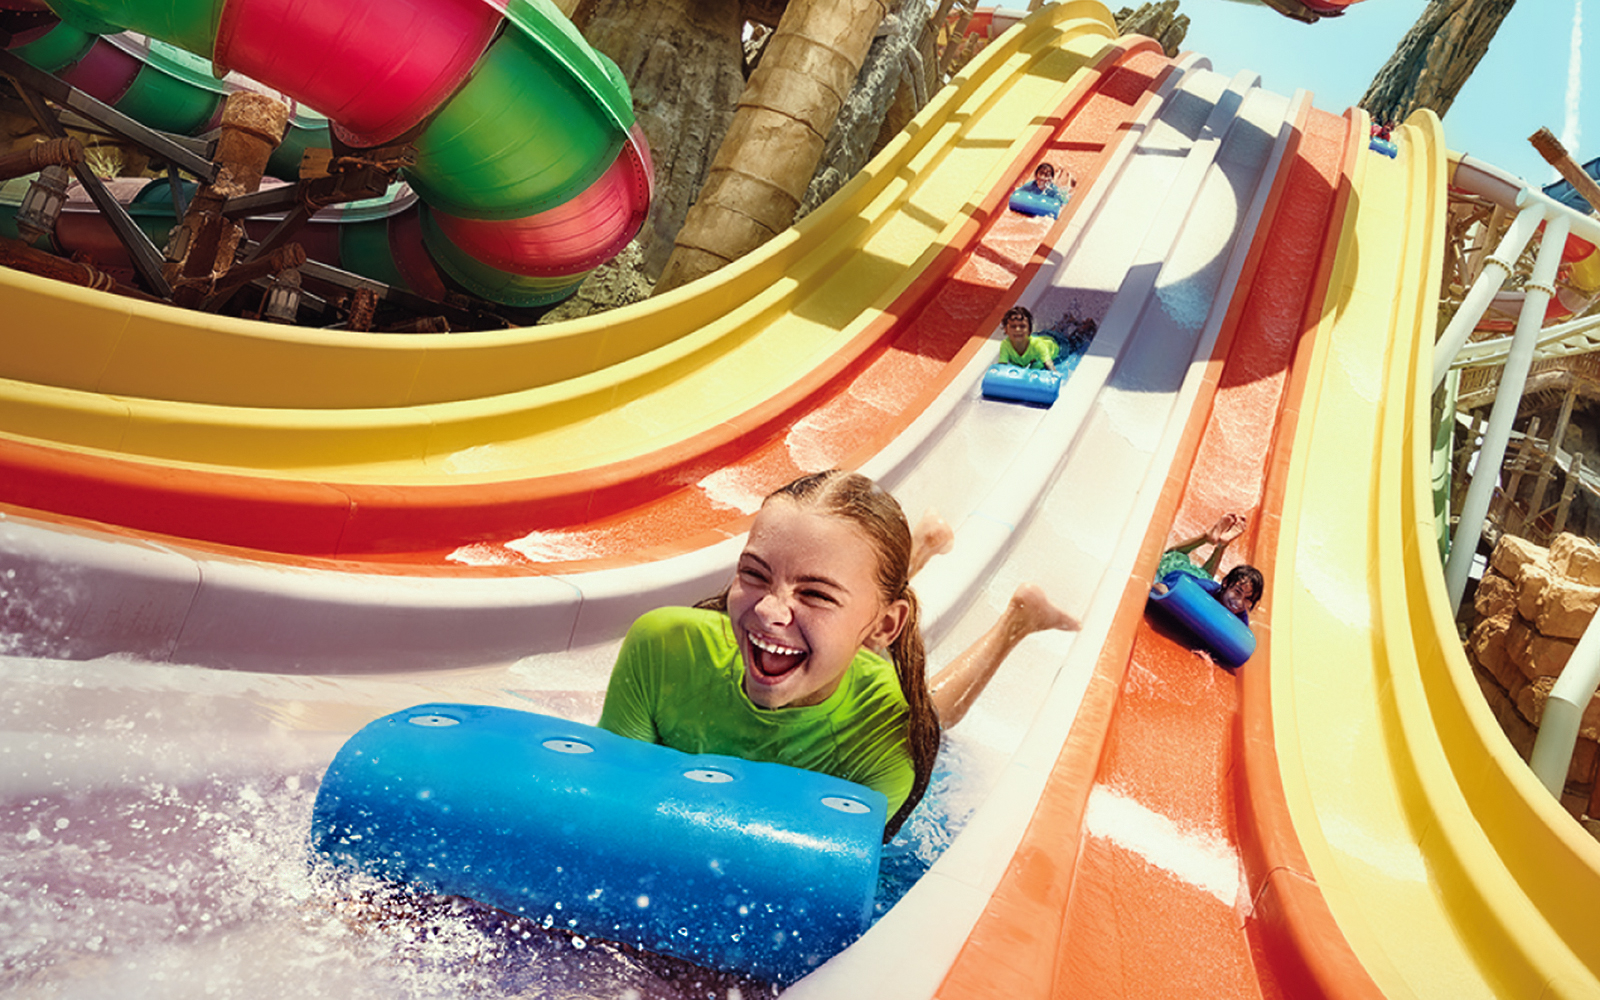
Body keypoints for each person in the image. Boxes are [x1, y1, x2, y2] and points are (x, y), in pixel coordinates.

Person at [597, 470, 1077, 839]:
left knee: (930, 715)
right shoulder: (664, 646)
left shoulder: (887, 732)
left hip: (864, 660)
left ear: (887, 626)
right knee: (832, 623)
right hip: (842, 632)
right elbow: (607, 801)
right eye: (754, 573)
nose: (767, 610)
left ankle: (1018, 621)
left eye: (816, 594)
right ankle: (910, 553)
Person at [1149, 512, 1264, 623]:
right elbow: (1165, 586)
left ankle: (1222, 544)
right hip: (1181, 573)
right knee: (1172, 554)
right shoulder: (1204, 588)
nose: (1239, 602)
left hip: (1203, 578)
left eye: (1248, 599)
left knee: (1206, 575)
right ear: (1225, 583)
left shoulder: (1240, 612)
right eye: (1237, 592)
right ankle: (1206, 537)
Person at [997, 304, 1058, 372]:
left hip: (1055, 347)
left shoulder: (1038, 345)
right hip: (1036, 340)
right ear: (1006, 330)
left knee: (1036, 366)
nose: (1017, 329)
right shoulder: (1005, 345)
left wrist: (1055, 373)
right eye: (1013, 326)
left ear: (1030, 330)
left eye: (1022, 326)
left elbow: (1049, 365)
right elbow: (1001, 367)